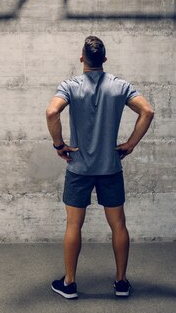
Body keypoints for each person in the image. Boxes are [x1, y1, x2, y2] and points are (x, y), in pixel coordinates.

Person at [45, 36, 154, 300]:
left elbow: (51, 113)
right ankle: (121, 283)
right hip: (110, 167)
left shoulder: (70, 85)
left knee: (73, 225)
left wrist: (59, 145)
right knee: (118, 225)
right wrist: (130, 144)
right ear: (104, 59)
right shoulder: (119, 85)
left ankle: (69, 284)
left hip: (78, 167)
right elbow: (147, 111)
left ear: (82, 57)